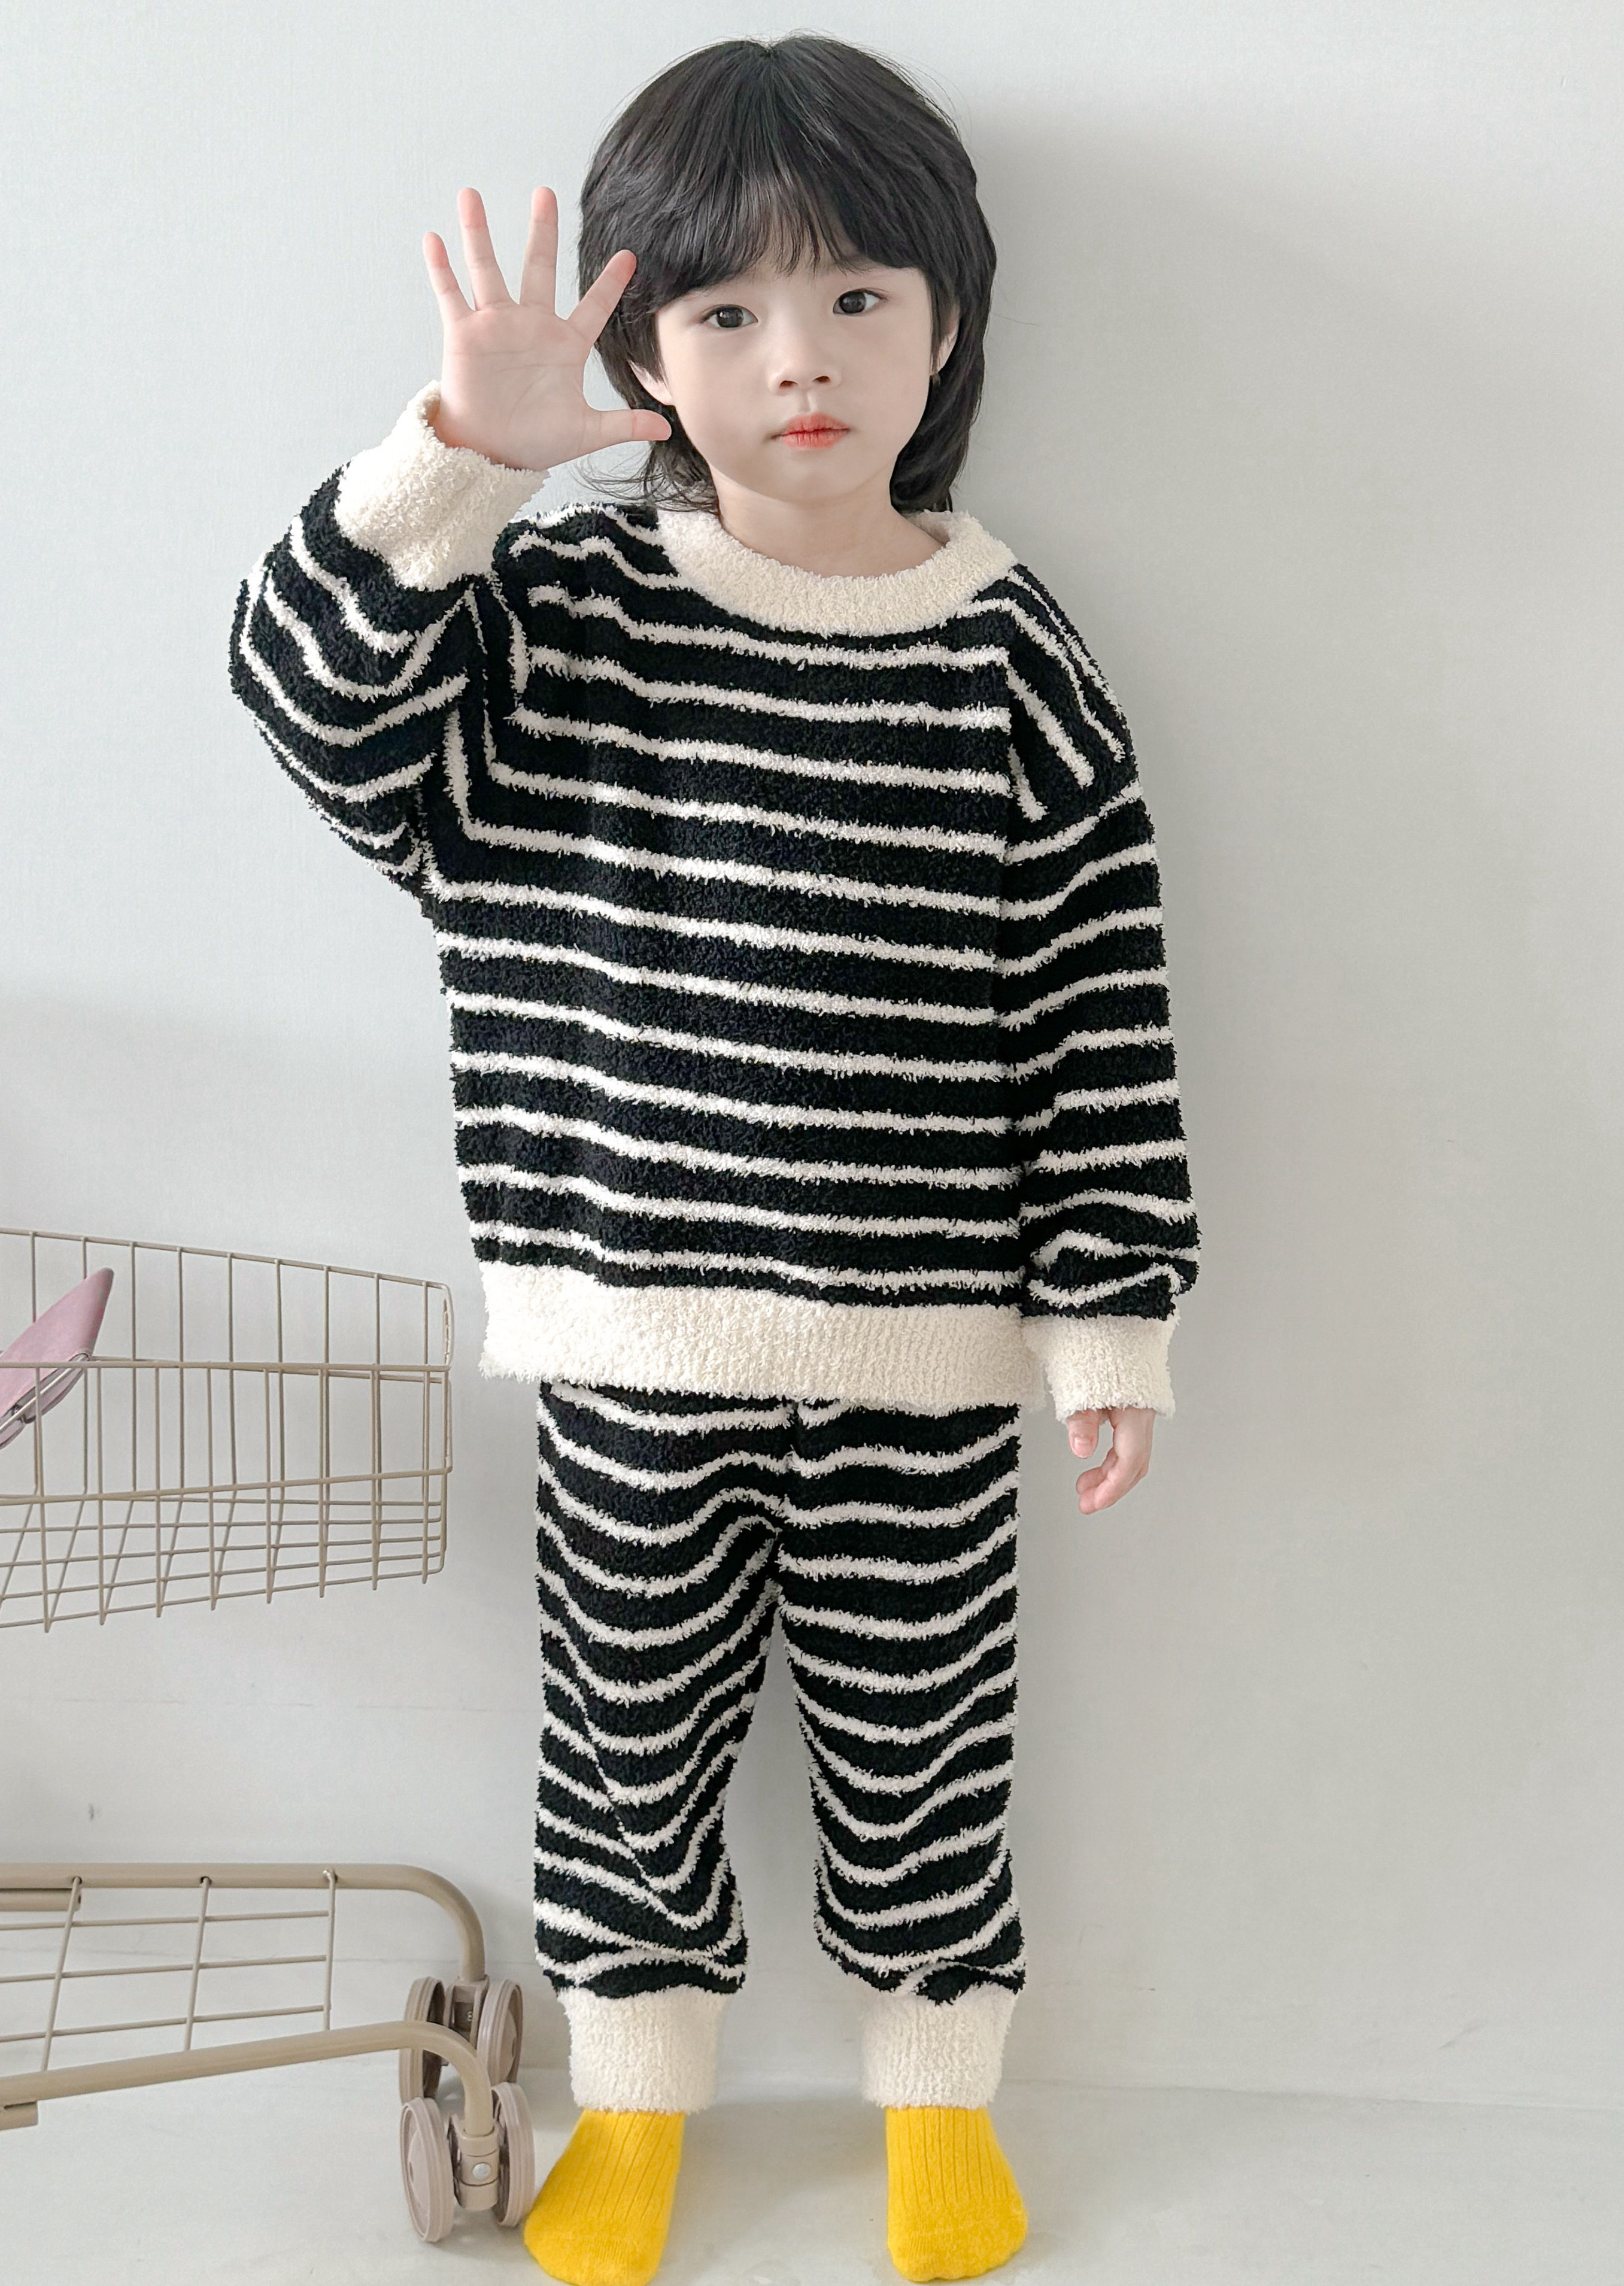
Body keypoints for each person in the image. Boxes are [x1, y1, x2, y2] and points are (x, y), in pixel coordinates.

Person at [224, 33, 1201, 2285]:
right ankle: (637, 2103)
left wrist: (1107, 1319)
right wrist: (457, 454)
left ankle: (936, 2098)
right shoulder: (568, 610)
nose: (801, 359)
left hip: (922, 1358)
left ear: (948, 320)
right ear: (648, 353)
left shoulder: (1011, 655)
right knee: (627, 1749)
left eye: (859, 296)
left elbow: (1094, 1011)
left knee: (925, 1750)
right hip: (633, 1340)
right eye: (730, 309)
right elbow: (318, 712)